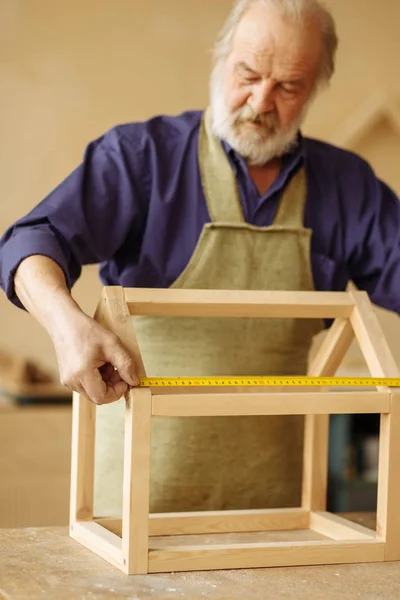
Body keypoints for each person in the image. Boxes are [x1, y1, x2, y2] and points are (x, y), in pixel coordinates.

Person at [1, 0, 399, 516]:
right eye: (249, 74)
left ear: (316, 88)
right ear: (221, 59)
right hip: (128, 511)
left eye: (288, 86)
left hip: (276, 513)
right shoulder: (141, 158)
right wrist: (65, 324)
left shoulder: (348, 189)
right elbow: (30, 241)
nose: (260, 100)